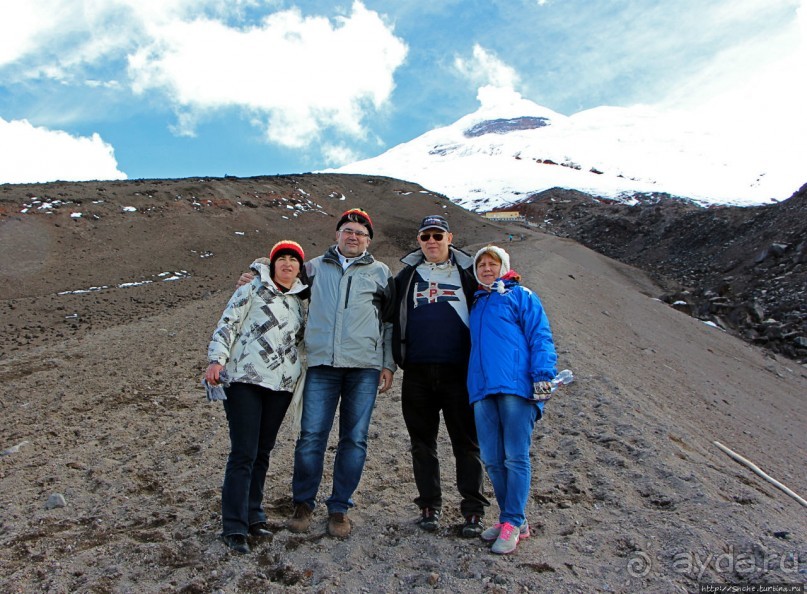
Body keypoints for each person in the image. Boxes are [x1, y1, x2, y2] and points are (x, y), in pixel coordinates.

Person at [237, 208, 395, 538]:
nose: (353, 236)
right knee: (311, 437)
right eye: (347, 230)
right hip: (321, 364)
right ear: (336, 235)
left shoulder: (381, 273)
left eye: (360, 233)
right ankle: (303, 504)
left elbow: (390, 323)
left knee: (354, 439)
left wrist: (388, 363)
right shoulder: (314, 268)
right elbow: (281, 273)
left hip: (364, 367)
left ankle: (339, 508)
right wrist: (256, 271)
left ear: (368, 240)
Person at [205, 240, 309, 554]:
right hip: (245, 380)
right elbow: (228, 323)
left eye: (294, 260)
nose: (288, 264)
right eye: (283, 259)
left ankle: (253, 514)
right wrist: (216, 359)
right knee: (244, 452)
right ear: (273, 264)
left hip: (280, 386)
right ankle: (233, 526)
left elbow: (302, 342)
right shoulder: (251, 289)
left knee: (262, 451)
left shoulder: (299, 303)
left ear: (299, 268)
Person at [391, 215, 489, 537]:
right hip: (417, 373)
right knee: (422, 445)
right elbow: (382, 312)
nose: (431, 241)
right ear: (418, 241)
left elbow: (497, 297)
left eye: (437, 235)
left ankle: (473, 510)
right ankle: (429, 506)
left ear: (450, 237)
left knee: (467, 443)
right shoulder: (405, 277)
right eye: (424, 236)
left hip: (458, 373)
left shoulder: (468, 276)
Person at [467, 245, 557, 555]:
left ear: (504, 266)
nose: (487, 269)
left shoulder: (521, 296)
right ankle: (513, 520)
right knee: (492, 458)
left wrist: (543, 373)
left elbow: (540, 335)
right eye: (482, 265)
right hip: (482, 389)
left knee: (516, 456)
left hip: (516, 387)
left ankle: (513, 520)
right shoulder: (477, 302)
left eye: (493, 264)